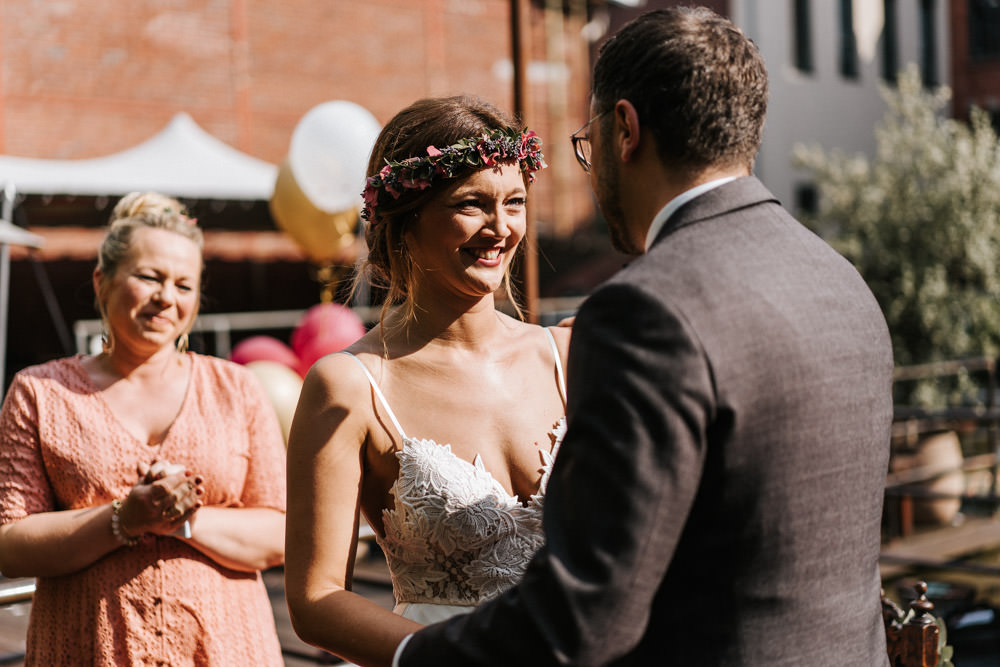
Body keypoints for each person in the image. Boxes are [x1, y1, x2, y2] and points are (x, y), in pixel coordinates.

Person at [395, 7, 894, 666]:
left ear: (625, 130)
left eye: (588, 141)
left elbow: (586, 615)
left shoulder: (645, 310)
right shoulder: (841, 282)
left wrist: (412, 657)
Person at [283, 95, 570, 666]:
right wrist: (453, 654)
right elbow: (315, 599)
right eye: (471, 204)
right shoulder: (350, 387)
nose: (501, 228)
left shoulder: (571, 355)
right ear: (404, 221)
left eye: (514, 202)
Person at [0, 192, 287, 666]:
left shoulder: (237, 388)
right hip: (86, 650)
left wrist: (184, 519)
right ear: (102, 282)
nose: (166, 298)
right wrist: (124, 519)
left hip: (227, 649)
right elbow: (10, 545)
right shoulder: (39, 392)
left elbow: (278, 533)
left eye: (183, 284)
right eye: (149, 277)